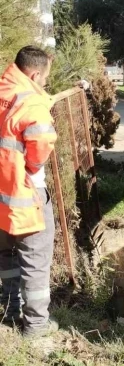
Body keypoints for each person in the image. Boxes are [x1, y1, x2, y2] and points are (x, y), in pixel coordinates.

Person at [0, 46, 58, 337]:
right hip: (25, 194)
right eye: (45, 78)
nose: (45, 83)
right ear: (34, 74)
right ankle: (35, 327)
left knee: (6, 255)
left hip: (1, 195)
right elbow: (42, 140)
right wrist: (34, 166)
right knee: (35, 259)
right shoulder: (32, 102)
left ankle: (9, 312)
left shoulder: (3, 89)